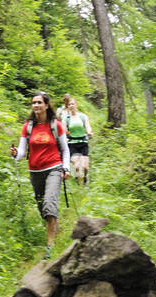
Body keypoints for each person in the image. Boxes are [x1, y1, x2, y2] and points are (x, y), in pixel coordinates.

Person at [9, 91, 71, 259]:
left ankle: (50, 244)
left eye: (39, 102)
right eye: (33, 103)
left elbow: (65, 149)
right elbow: (22, 151)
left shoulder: (55, 125)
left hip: (54, 168)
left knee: (50, 203)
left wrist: (66, 168)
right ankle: (53, 226)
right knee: (41, 205)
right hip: (35, 170)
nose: (36, 105)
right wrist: (16, 153)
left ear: (46, 105)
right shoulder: (28, 126)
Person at [60, 94, 94, 186]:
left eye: (73, 104)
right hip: (72, 143)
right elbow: (63, 131)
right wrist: (65, 138)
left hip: (83, 142)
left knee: (85, 167)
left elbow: (87, 126)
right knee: (77, 166)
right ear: (68, 106)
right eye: (69, 104)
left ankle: (86, 179)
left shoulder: (83, 116)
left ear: (76, 105)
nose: (71, 105)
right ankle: (77, 181)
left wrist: (90, 132)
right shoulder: (66, 119)